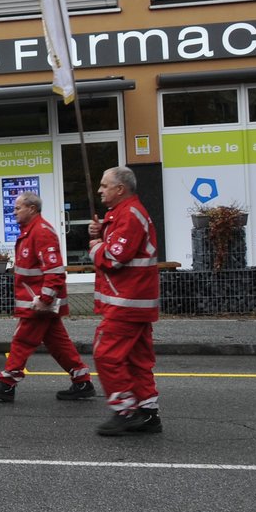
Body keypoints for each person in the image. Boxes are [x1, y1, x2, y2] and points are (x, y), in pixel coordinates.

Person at [0, 191, 95, 403]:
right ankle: (82, 380)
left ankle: (6, 384)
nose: (14, 212)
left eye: (18, 208)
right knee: (58, 343)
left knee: (21, 340)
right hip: (37, 302)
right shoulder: (31, 231)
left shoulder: (41, 232)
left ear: (31, 209)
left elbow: (55, 271)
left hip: (38, 304)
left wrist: (45, 299)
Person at [88, 166, 161, 436]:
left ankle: (125, 409)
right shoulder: (123, 213)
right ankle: (148, 413)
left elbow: (114, 258)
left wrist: (95, 246)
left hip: (127, 302)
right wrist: (101, 231)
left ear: (120, 189)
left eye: (105, 185)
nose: (100, 190)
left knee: (105, 354)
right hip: (134, 302)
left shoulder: (129, 214)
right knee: (137, 359)